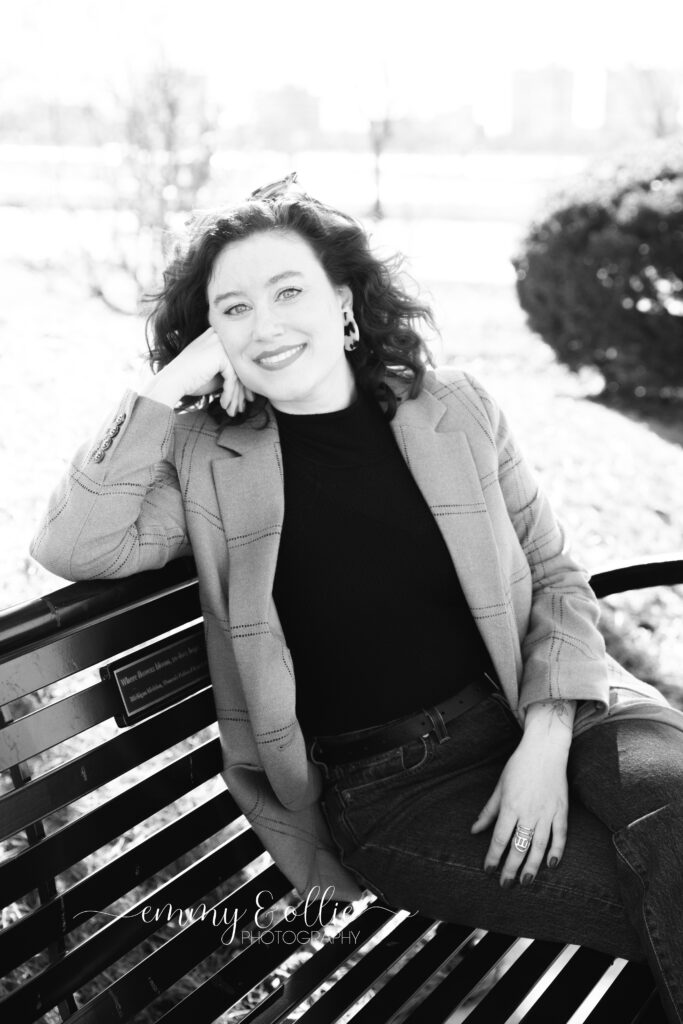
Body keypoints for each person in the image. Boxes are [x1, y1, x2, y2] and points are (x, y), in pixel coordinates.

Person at [30, 175, 683, 1022]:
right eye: (232, 309)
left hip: (564, 711)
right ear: (212, 339)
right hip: (400, 793)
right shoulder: (206, 461)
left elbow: (555, 576)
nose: (264, 324)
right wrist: (165, 390)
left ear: (343, 305)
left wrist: (545, 739)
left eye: (288, 290)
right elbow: (74, 545)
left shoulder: (453, 408)